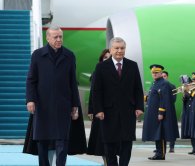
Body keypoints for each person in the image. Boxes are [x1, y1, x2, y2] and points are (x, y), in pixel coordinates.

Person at [26, 25, 82, 166]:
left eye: (60, 36)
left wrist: (75, 105)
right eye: (55, 37)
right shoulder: (38, 55)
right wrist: (30, 100)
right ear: (48, 38)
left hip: (63, 105)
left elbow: (72, 82)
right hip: (42, 105)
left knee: (62, 141)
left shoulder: (69, 56)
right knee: (43, 141)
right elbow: (31, 79)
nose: (59, 39)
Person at [92, 37, 144, 166]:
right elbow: (96, 91)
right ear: (111, 49)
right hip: (108, 112)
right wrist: (98, 109)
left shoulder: (132, 65)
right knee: (109, 144)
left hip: (128, 111)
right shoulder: (101, 67)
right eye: (116, 48)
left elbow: (138, 88)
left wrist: (139, 106)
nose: (119, 51)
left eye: (122, 48)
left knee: (127, 143)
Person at [142, 64, 180, 160]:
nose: (154, 74)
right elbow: (153, 96)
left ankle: (161, 154)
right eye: (153, 73)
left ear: (161, 73)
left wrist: (161, 112)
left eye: (156, 72)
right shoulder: (154, 83)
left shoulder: (164, 83)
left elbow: (164, 99)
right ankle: (158, 152)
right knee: (156, 133)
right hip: (153, 113)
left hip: (159, 114)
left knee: (161, 133)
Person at [87, 49, 111, 165]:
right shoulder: (97, 71)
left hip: (114, 111)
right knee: (101, 139)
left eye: (109, 57)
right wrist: (91, 109)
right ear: (101, 59)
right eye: (105, 57)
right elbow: (93, 92)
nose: (107, 59)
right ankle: (106, 161)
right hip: (100, 110)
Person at [162, 70, 177, 153]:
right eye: (162, 76)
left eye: (165, 76)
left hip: (169, 110)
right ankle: (161, 147)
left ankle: (172, 147)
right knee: (161, 129)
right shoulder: (158, 85)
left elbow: (173, 99)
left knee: (171, 128)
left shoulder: (172, 86)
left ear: (167, 77)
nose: (163, 77)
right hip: (161, 110)